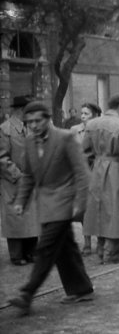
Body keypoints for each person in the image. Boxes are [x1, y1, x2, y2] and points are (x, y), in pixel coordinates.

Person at [7, 102, 93, 315]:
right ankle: (81, 288)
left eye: (38, 120)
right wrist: (20, 201)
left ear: (47, 119)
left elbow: (82, 173)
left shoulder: (65, 138)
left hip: (65, 202)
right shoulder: (29, 141)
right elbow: (28, 175)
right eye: (29, 122)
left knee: (45, 248)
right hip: (45, 203)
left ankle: (27, 293)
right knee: (65, 248)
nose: (34, 125)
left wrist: (80, 204)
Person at [82, 95, 119, 264]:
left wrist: (93, 169)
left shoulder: (92, 124)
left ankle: (100, 250)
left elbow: (84, 152)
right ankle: (112, 253)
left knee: (99, 209)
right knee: (116, 210)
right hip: (116, 170)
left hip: (97, 169)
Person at [0, 96, 38, 266]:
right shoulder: (5, 129)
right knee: (15, 217)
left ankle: (31, 252)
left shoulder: (32, 127)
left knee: (32, 217)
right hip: (13, 181)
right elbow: (2, 157)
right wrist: (17, 174)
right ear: (20, 110)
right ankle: (16, 255)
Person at [70, 102, 102, 256]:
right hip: (81, 175)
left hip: (97, 172)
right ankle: (87, 243)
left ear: (95, 115)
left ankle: (101, 243)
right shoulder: (74, 131)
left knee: (99, 208)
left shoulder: (100, 130)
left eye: (86, 114)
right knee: (84, 209)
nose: (83, 116)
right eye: (82, 113)